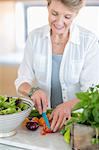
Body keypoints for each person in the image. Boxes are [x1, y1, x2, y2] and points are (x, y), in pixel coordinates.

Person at [15, 0, 99, 132]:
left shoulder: (88, 41)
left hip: (77, 122)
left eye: (67, 17)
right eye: (54, 13)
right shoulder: (34, 37)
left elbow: (92, 93)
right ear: (47, 6)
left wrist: (68, 106)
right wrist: (33, 91)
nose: (59, 22)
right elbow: (21, 81)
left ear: (75, 14)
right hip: (44, 119)